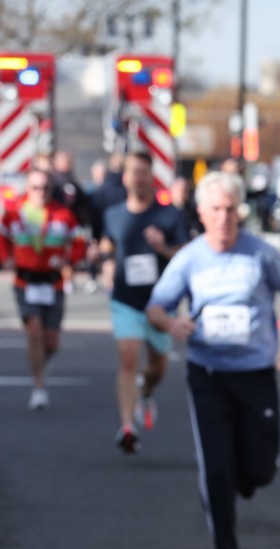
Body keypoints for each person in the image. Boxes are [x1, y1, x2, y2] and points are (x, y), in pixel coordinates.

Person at [146, 170, 280, 549]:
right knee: (215, 471)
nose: (223, 217)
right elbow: (156, 307)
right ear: (201, 212)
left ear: (239, 212)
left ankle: (248, 475)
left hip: (256, 376)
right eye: (215, 209)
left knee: (258, 471)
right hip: (208, 375)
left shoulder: (259, 254)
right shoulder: (189, 259)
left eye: (230, 209)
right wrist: (172, 323)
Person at [100, 149, 187, 452]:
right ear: (124, 178)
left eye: (143, 172)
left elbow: (185, 256)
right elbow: (108, 245)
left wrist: (163, 248)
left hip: (161, 303)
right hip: (125, 299)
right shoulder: (113, 214)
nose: (138, 178)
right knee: (127, 358)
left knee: (158, 368)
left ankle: (146, 391)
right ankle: (127, 427)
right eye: (133, 172)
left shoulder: (169, 215)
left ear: (152, 177)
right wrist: (104, 261)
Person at [0, 164, 86, 408]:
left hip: (53, 283)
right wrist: (5, 257)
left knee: (51, 342)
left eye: (45, 188)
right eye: (35, 187)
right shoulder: (15, 213)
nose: (40, 192)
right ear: (27, 188)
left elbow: (79, 242)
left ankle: (39, 363)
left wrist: (69, 260)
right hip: (25, 282)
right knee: (34, 331)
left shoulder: (63, 214)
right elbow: (2, 237)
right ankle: (38, 387)